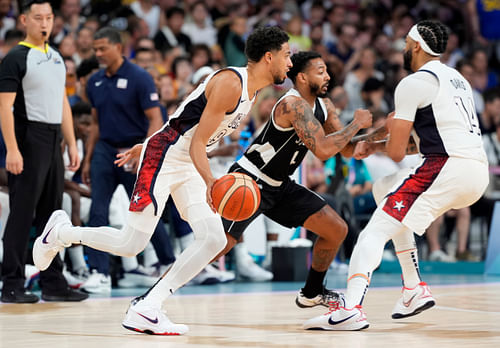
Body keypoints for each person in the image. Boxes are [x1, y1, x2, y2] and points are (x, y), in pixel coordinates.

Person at [33, 25, 292, 335]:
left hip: (181, 157)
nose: (290, 63)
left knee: (214, 238)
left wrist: (156, 140)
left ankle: (149, 305)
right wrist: (211, 182)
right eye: (287, 55)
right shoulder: (231, 83)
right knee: (132, 243)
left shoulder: (251, 91)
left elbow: (185, 119)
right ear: (269, 56)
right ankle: (61, 234)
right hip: (167, 158)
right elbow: (195, 143)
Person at [303, 20, 489, 331]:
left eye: (405, 42)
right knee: (384, 189)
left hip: (445, 167)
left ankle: (350, 309)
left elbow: (398, 153)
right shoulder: (457, 80)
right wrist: (372, 143)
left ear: (416, 45)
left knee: (372, 233)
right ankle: (413, 288)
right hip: (475, 171)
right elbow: (427, 139)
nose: (401, 47)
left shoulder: (412, 83)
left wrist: (382, 134)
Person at [217, 51, 372, 306]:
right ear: (301, 77)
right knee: (217, 247)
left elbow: (343, 149)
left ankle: (312, 292)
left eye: (327, 71)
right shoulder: (293, 104)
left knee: (336, 229)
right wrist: (355, 125)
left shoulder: (325, 106)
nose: (328, 76)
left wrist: (377, 133)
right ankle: (159, 291)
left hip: (280, 185)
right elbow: (322, 150)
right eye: (320, 71)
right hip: (251, 179)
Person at [0, 0, 88, 303]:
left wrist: (71, 141)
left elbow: (63, 102)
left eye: (49, 18)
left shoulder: (56, 57)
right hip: (28, 137)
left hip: (53, 140)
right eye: (38, 18)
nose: (44, 24)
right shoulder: (15, 58)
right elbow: (4, 107)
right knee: (22, 214)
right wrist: (12, 148)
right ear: (25, 20)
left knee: (54, 215)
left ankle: (53, 283)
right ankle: (11, 284)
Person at [78, 26, 174, 292]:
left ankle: (168, 264)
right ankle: (99, 272)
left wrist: (142, 152)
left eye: (102, 48)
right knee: (98, 209)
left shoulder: (140, 77)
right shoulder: (95, 81)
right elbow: (95, 123)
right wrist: (88, 160)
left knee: (145, 210)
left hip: (133, 152)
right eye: (95, 49)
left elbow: (156, 118)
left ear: (118, 48)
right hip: (104, 151)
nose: (97, 54)